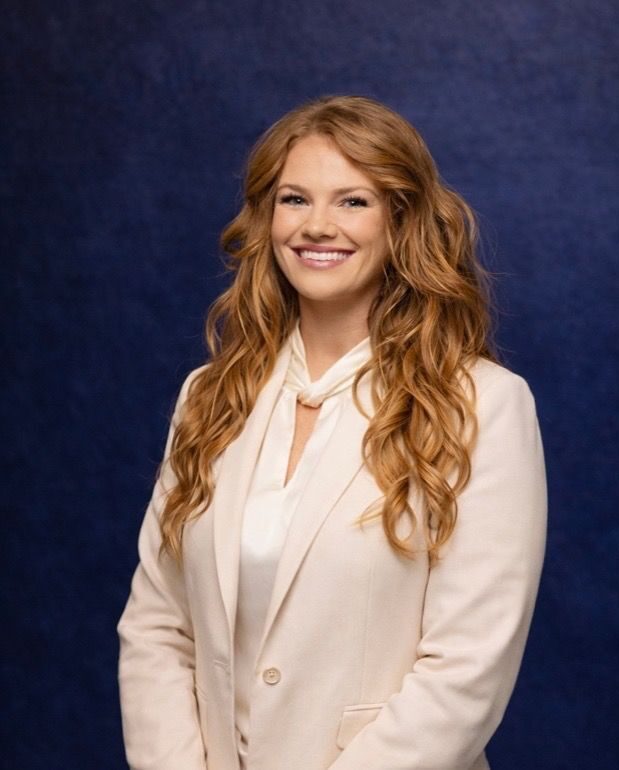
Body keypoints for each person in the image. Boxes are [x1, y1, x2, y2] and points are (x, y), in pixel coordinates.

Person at [117, 95, 547, 770]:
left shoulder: (483, 406)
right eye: (294, 199)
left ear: (400, 221)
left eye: (352, 201)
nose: (317, 226)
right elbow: (157, 627)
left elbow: (465, 668)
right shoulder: (209, 396)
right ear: (266, 217)